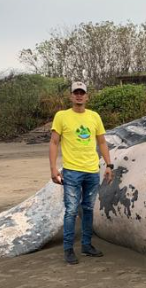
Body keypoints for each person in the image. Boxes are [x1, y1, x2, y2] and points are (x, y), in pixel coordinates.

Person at [49, 81, 115, 265]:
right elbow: (54, 142)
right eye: (75, 92)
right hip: (72, 171)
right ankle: (68, 249)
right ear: (71, 96)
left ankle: (86, 245)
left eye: (82, 93)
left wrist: (109, 165)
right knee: (71, 210)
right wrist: (53, 168)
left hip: (92, 171)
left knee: (87, 208)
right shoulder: (61, 116)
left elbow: (102, 142)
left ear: (87, 96)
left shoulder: (94, 116)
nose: (79, 95)